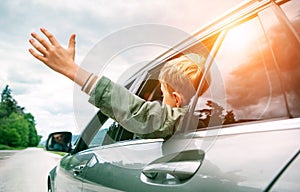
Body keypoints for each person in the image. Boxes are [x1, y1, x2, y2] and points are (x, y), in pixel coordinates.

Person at [28, 28, 210, 140]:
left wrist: (73, 71)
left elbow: (140, 113)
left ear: (177, 100)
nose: (160, 102)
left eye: (163, 96)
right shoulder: (206, 119)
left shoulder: (181, 119)